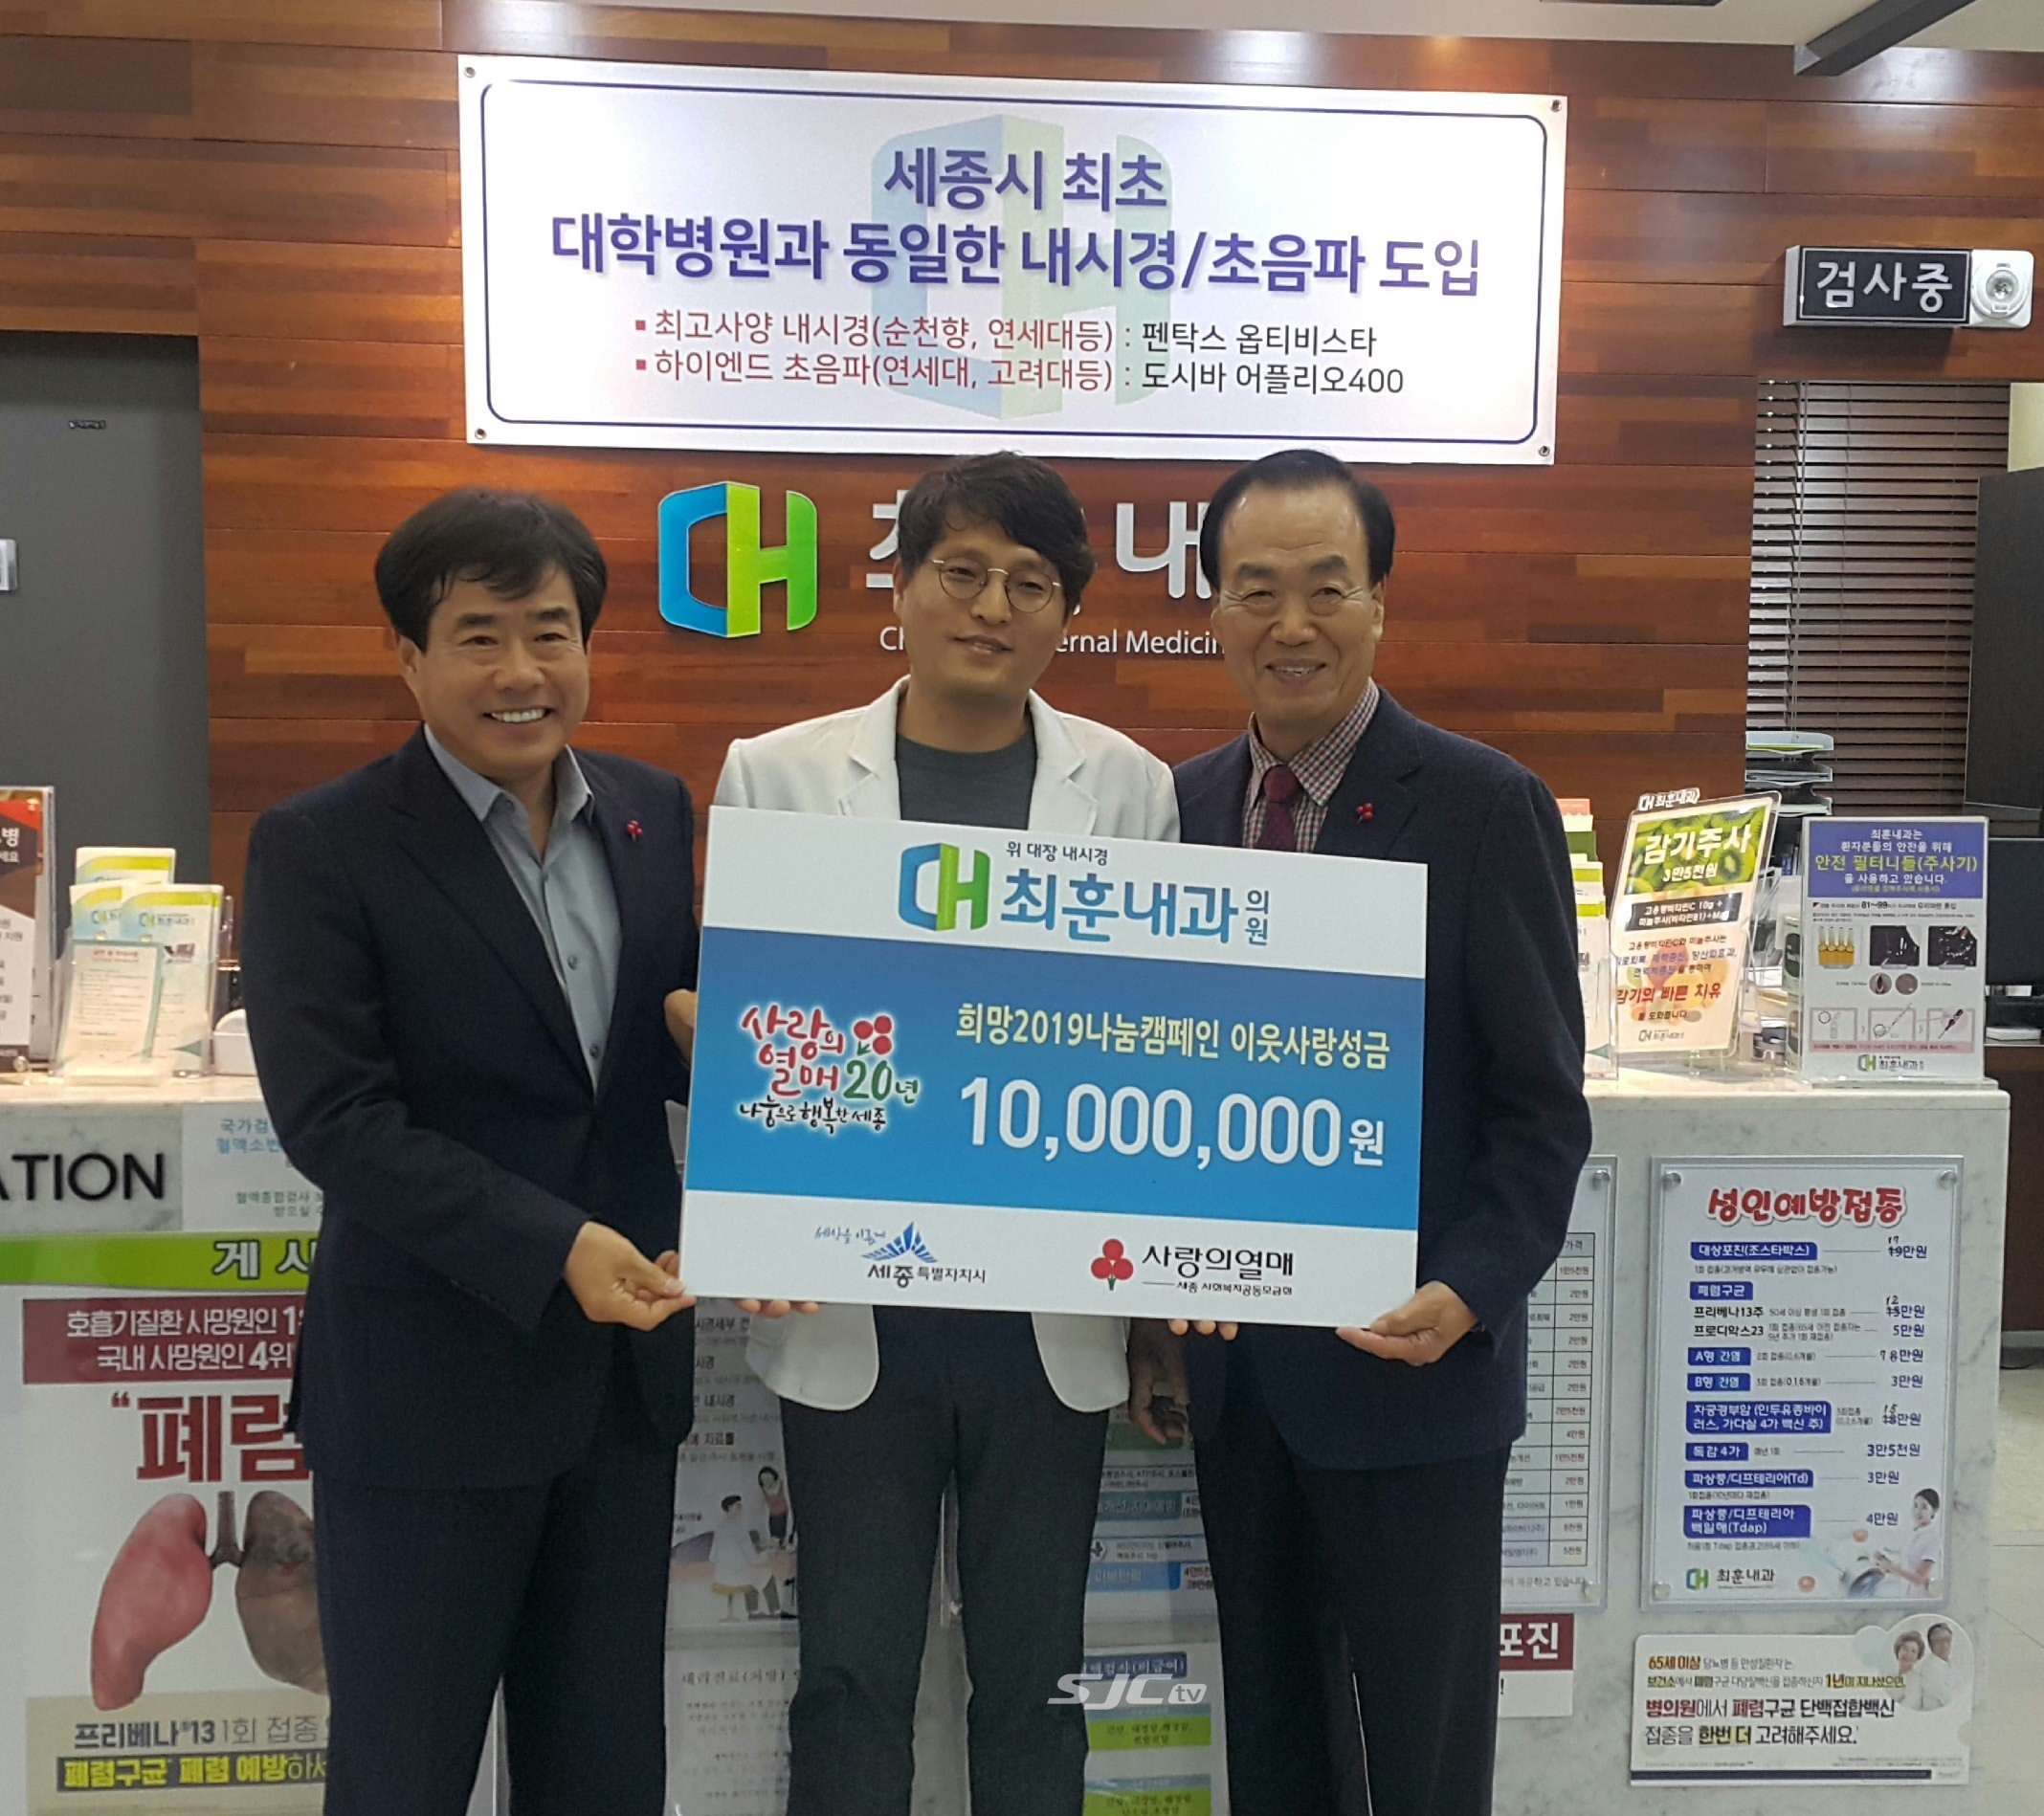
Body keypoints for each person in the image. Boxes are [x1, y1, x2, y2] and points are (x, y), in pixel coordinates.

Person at [713, 452, 1178, 1816]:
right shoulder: (778, 774)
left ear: (1066, 613)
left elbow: (1152, 1044)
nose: (992, 605)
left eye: (1030, 583)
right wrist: (758, 1198)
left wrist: (1168, 1290)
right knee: (850, 1676)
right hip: (854, 1306)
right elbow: (760, 1022)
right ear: (902, 585)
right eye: (961, 571)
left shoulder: (1131, 788)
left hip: (1051, 1313)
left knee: (1039, 1679)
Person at [1129, 449, 1590, 1816]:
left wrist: (1470, 1287)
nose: (1293, 624)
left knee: (1425, 1751)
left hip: (1414, 1370)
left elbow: (1539, 1106)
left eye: (1327, 588)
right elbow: (1155, 1086)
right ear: (1213, 608)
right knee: (1275, 1744)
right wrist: (1152, 1314)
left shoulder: (1484, 803)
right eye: (1256, 589)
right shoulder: (1176, 812)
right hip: (1238, 1383)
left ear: (1380, 602)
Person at [240, 488, 703, 1816]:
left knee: (605, 1772)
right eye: (478, 636)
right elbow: (337, 1117)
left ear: (588, 644)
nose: (520, 671)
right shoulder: (321, 844)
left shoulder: (651, 810)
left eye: (549, 631)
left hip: (619, 1398)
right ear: (410, 659)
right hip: (427, 1396)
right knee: (404, 1774)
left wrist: (752, 1074)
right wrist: (554, 1246)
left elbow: (657, 1049)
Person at [709, 1495, 781, 1620]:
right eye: (738, 1506)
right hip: (736, 1575)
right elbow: (753, 1559)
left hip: (720, 1576)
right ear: (730, 1508)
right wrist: (768, 1553)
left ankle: (753, 1611)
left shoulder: (720, 1529)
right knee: (766, 1576)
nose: (741, 1509)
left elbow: (712, 1557)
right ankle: (773, 1611)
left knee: (752, 1574)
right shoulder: (740, 1529)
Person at [1877, 1488, 1944, 1595]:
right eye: (1916, 1505)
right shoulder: (1912, 1534)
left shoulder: (1933, 1538)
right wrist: (1886, 1567)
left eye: (1924, 1507)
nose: (1918, 1511)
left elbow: (1919, 1579)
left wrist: (1890, 1566)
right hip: (1905, 1594)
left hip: (1921, 1597)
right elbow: (1908, 1569)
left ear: (1934, 1510)